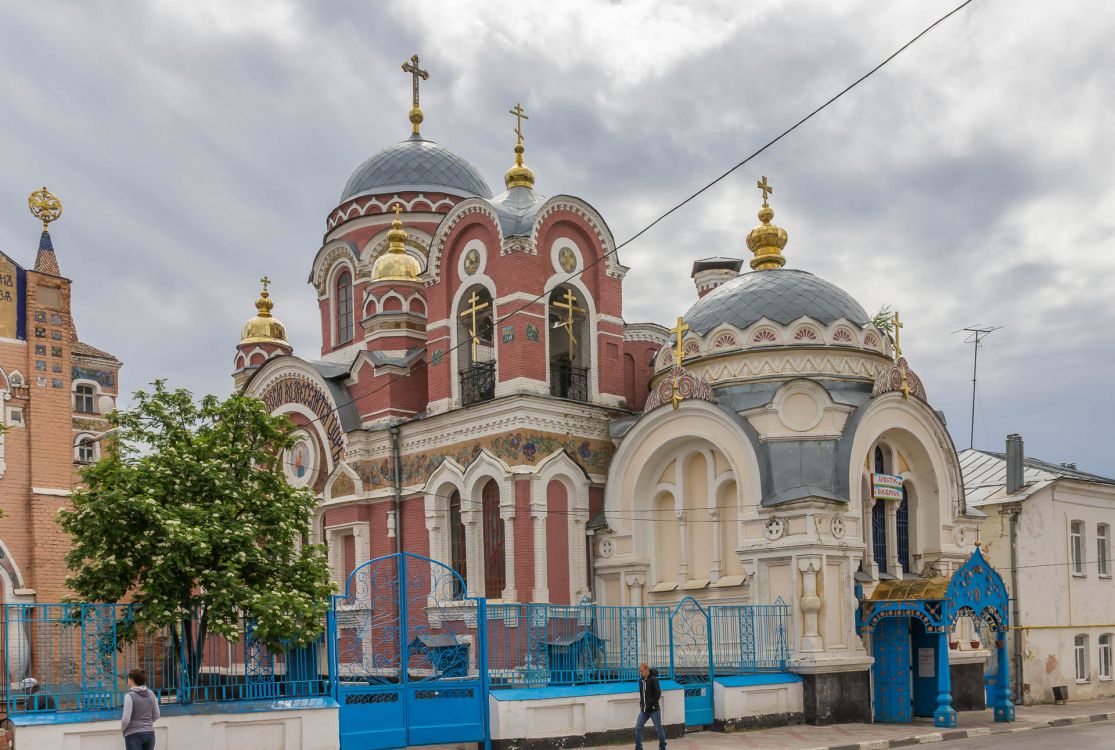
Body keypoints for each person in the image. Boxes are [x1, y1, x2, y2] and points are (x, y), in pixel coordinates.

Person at [120, 668, 160, 750]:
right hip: (150, 735)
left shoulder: (129, 696)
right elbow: (157, 715)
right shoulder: (151, 693)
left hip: (133, 735)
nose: (127, 679)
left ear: (132, 680)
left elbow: (125, 720)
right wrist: (146, 723)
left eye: (128, 678)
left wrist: (123, 730)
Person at [635, 662, 666, 750]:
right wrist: (642, 703)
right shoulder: (641, 681)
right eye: (640, 672)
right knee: (638, 728)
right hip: (644, 711)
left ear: (646, 670)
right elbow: (642, 694)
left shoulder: (653, 679)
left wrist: (651, 704)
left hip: (654, 710)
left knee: (658, 729)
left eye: (641, 671)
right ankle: (638, 747)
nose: (641, 673)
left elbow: (658, 694)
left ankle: (662, 747)